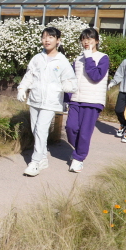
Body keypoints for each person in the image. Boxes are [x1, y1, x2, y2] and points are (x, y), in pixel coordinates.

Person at [17, 27, 77, 176]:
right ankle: (43, 157)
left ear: (58, 40)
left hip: (51, 101)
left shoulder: (62, 61)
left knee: (41, 130)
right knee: (35, 130)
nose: (47, 40)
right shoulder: (37, 58)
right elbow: (29, 75)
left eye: (50, 37)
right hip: (35, 99)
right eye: (44, 37)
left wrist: (66, 86)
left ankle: (35, 162)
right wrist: (22, 88)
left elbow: (71, 81)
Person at [65, 28, 109, 173]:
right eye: (84, 39)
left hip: (92, 101)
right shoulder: (78, 59)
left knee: (85, 132)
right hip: (76, 100)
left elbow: (96, 76)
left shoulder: (103, 57)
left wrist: (89, 57)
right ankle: (79, 149)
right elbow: (71, 80)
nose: (86, 42)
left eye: (90, 39)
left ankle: (78, 158)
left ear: (96, 41)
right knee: (70, 128)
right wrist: (67, 98)